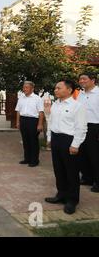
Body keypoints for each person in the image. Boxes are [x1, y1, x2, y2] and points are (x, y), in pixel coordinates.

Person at [45, 80, 87, 215]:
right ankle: (61, 194)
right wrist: (50, 138)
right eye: (55, 88)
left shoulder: (77, 106)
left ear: (69, 90)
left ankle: (72, 200)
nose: (55, 90)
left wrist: (75, 145)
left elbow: (81, 127)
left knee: (71, 171)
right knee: (58, 169)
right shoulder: (56, 104)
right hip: (56, 139)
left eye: (59, 88)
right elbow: (51, 121)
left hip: (69, 140)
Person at [77, 73, 99, 193]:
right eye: (80, 79)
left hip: (94, 127)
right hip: (81, 127)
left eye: (84, 79)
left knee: (95, 156)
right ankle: (87, 178)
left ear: (93, 80)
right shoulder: (81, 93)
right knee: (82, 155)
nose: (81, 81)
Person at [15, 81, 45, 167]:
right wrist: (18, 122)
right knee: (25, 140)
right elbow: (18, 111)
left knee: (33, 141)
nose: (24, 89)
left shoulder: (37, 99)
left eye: (26, 87)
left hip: (33, 121)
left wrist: (40, 124)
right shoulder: (21, 98)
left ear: (32, 88)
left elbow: (41, 112)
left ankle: (35, 160)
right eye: (24, 87)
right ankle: (27, 158)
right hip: (23, 120)